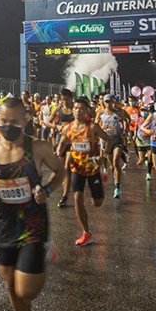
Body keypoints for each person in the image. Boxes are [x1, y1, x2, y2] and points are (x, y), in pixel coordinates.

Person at [0, 96, 63, 311]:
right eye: (3, 121)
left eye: (14, 122)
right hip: (5, 225)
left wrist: (47, 189)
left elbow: (60, 171)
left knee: (26, 291)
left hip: (34, 224)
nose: (7, 126)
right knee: (10, 284)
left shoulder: (38, 147)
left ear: (25, 120)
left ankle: (44, 252)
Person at [54, 96, 112, 246]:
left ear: (86, 111)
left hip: (93, 169)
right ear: (72, 110)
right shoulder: (68, 128)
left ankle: (98, 194)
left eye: (81, 108)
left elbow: (108, 140)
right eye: (75, 108)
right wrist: (59, 150)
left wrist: (103, 156)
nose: (78, 111)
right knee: (77, 198)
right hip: (77, 169)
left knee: (97, 202)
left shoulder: (92, 127)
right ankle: (86, 233)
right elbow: (62, 142)